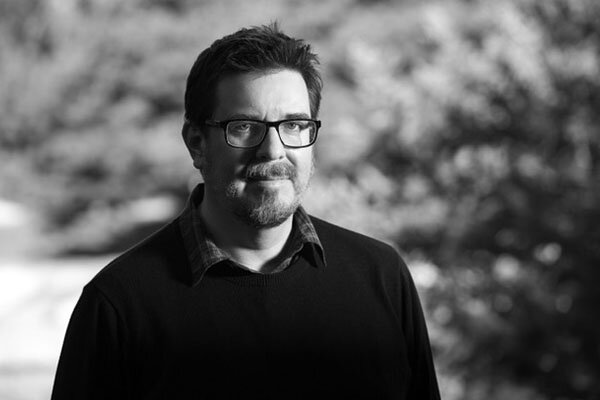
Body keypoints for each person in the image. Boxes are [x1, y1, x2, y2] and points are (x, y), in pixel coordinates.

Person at [51, 23, 441, 400]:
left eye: (294, 125)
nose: (273, 150)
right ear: (196, 143)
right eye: (244, 127)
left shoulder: (383, 278)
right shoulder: (119, 306)